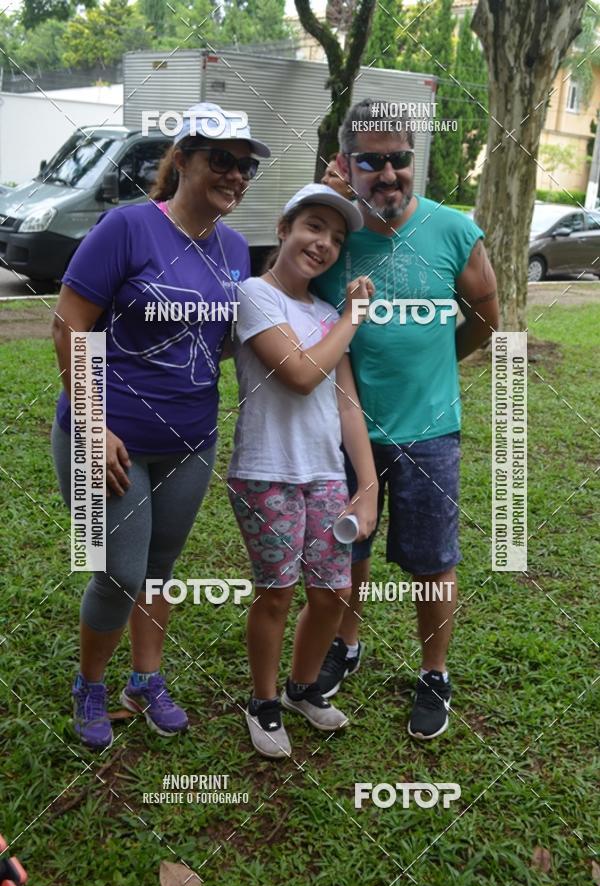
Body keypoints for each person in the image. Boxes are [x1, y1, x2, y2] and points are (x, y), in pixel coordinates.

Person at [51, 103, 270, 750]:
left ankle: (145, 680)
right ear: (183, 160)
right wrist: (92, 425)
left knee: (160, 568)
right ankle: (90, 684)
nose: (236, 174)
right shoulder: (127, 228)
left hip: (190, 441)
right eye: (222, 160)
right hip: (106, 439)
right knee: (118, 572)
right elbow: (70, 325)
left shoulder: (233, 248)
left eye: (246, 165)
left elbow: (218, 338)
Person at [312, 98, 500, 741]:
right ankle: (347, 642)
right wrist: (324, 194)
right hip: (348, 429)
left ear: (413, 161)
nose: (388, 174)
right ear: (347, 164)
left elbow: (484, 312)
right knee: (346, 547)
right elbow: (285, 296)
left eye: (400, 159)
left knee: (433, 560)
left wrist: (434, 365)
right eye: (372, 162)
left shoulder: (454, 231)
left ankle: (434, 672)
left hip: (431, 430)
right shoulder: (332, 236)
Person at [227, 184, 378, 758]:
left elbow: (347, 404)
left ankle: (301, 688)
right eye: (314, 227)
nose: (325, 244)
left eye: (337, 239)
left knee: (333, 592)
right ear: (286, 228)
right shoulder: (254, 295)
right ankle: (263, 702)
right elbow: (298, 373)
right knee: (276, 594)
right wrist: (353, 318)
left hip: (325, 474)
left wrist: (365, 488)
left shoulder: (324, 313)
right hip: (267, 473)